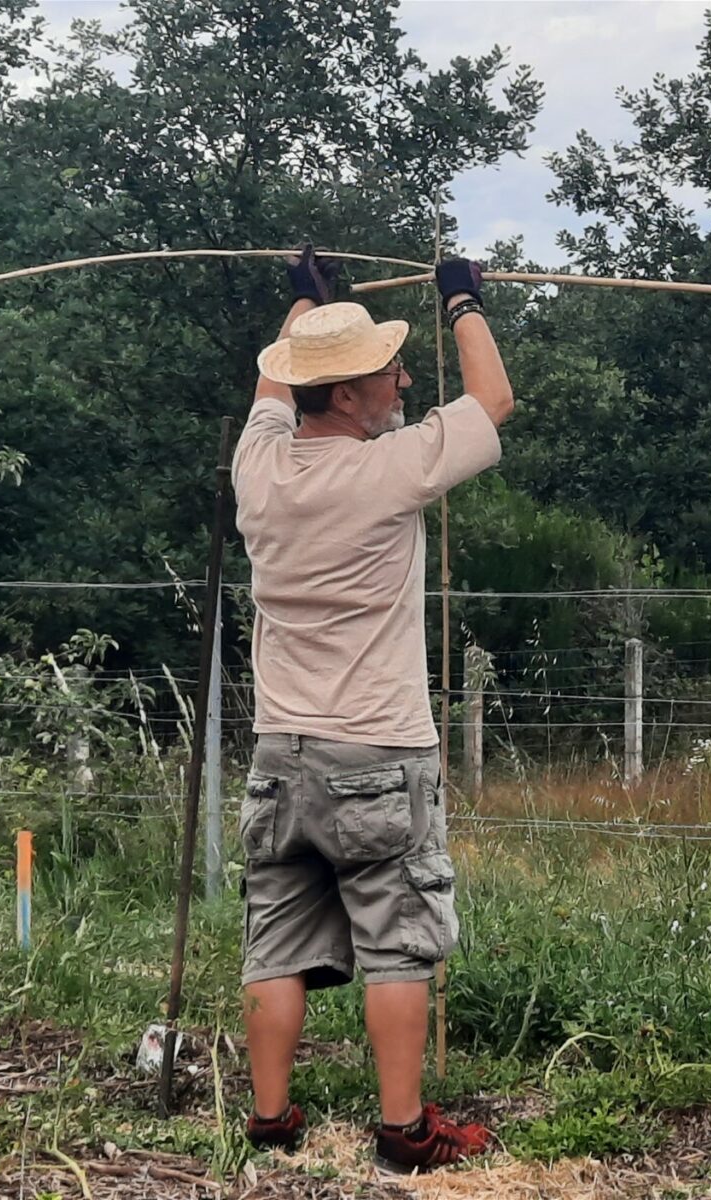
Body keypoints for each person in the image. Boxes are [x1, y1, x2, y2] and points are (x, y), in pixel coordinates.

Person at [230, 245, 513, 1173]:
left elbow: (275, 380)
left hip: (282, 750)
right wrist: (464, 301)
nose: (401, 378)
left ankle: (270, 1121)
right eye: (386, 373)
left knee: (274, 933)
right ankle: (404, 1131)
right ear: (347, 398)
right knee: (398, 943)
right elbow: (493, 402)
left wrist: (306, 315)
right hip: (377, 752)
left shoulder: (259, 465)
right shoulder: (387, 471)